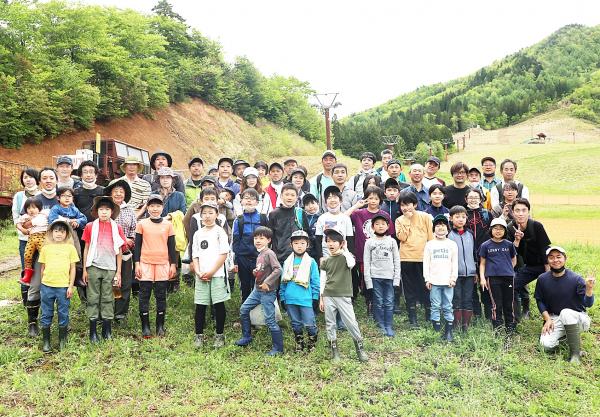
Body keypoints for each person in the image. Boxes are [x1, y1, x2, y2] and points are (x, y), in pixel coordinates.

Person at [535, 246, 595, 364]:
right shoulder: (542, 279)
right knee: (545, 345)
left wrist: (589, 289)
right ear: (548, 260)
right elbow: (539, 300)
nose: (555, 260)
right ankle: (567, 337)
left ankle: (575, 355)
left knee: (566, 312)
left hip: (579, 318)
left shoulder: (576, 278)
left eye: (559, 257)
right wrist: (547, 319)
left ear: (565, 259)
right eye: (551, 257)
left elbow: (588, 304)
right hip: (555, 318)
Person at [319, 226, 368, 362]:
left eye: (334, 241)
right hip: (328, 295)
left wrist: (345, 249)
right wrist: (321, 297)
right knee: (330, 323)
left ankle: (360, 349)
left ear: (341, 243)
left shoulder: (346, 257)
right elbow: (323, 279)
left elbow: (351, 263)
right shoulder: (326, 260)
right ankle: (334, 352)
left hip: (343, 295)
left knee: (351, 322)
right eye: (328, 241)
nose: (331, 244)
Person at [81, 196, 126, 343]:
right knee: (93, 297)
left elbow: (119, 251)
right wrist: (85, 269)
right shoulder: (90, 227)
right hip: (93, 266)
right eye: (101, 209)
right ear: (96, 211)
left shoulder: (116, 228)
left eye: (107, 209)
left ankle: (107, 329)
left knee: (108, 297)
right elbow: (86, 247)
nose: (104, 212)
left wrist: (118, 272)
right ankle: (93, 331)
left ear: (112, 212)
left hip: (110, 267)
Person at [235, 226, 284, 356]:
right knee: (244, 309)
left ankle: (278, 348)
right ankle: (247, 337)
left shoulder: (269, 253)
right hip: (257, 290)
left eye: (261, 238)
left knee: (270, 320)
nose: (258, 240)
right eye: (256, 238)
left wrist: (267, 282)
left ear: (268, 240)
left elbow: (278, 269)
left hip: (267, 292)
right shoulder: (260, 253)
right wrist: (255, 272)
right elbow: (263, 269)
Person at [134, 194, 177, 338]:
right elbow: (137, 246)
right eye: (152, 206)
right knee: (144, 294)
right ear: (148, 207)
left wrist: (173, 264)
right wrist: (137, 264)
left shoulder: (168, 225)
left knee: (160, 295)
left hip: (163, 263)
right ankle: (145, 327)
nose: (155, 209)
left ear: (162, 208)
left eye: (158, 206)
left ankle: (160, 325)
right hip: (145, 263)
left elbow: (172, 247)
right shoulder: (142, 224)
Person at [23, 167, 59, 337]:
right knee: (36, 286)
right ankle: (32, 323)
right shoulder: (34, 200)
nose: (48, 180)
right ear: (40, 181)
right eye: (44, 178)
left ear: (56, 180)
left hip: (59, 251)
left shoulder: (63, 198)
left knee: (59, 286)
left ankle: (60, 321)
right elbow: (24, 223)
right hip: (39, 251)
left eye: (51, 177)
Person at [346, 186, 393, 313]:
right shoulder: (359, 214)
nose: (373, 201)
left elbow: (390, 234)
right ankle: (369, 302)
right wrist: (356, 206)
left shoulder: (384, 215)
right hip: (362, 253)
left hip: (380, 255)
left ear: (380, 200)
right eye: (370, 198)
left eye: (376, 198)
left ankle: (380, 301)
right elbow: (343, 218)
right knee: (365, 278)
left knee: (378, 278)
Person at [192, 202, 231, 349]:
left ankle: (219, 335)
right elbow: (195, 255)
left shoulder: (220, 232)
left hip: (218, 274)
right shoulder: (198, 233)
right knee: (200, 306)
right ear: (200, 216)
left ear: (216, 215)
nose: (207, 216)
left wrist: (212, 272)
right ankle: (199, 335)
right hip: (201, 275)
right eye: (204, 213)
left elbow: (223, 254)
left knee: (218, 305)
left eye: (210, 212)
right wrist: (198, 271)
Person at [38, 219, 79, 353]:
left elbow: (73, 268)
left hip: (63, 287)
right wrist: (42, 284)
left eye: (62, 231)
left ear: (67, 234)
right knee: (46, 312)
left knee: (63, 312)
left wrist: (70, 286)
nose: (59, 234)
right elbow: (42, 268)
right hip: (47, 286)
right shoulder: (45, 248)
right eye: (56, 231)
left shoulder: (70, 248)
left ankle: (62, 340)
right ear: (51, 233)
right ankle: (46, 342)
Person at [508, 198, 551, 320]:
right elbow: (512, 253)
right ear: (512, 212)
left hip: (544, 265)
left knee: (547, 289)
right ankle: (517, 315)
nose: (520, 213)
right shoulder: (510, 228)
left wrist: (548, 272)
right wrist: (517, 240)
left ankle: (550, 315)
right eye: (517, 210)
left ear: (528, 212)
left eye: (524, 210)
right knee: (512, 285)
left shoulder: (536, 226)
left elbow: (544, 248)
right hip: (529, 266)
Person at [396, 191, 434, 328]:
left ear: (415, 204)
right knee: (409, 288)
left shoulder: (426, 217)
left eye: (408, 204)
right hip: (406, 258)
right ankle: (413, 318)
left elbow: (431, 237)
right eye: (402, 205)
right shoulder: (399, 220)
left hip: (423, 258)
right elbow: (402, 238)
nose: (405, 208)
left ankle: (429, 315)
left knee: (425, 286)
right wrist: (406, 219)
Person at [280, 230, 320, 352]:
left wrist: (315, 297)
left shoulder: (311, 262)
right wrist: (282, 297)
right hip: (290, 298)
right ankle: (299, 342)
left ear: (307, 245)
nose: (299, 246)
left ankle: (312, 341)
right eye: (296, 243)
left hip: (306, 298)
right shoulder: (287, 262)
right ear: (291, 245)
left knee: (309, 322)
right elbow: (283, 281)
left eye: (302, 243)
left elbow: (315, 281)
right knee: (295, 322)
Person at [104, 179, 137, 325]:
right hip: (106, 252)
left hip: (124, 253)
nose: (118, 194)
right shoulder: (106, 209)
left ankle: (120, 314)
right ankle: (106, 312)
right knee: (108, 282)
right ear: (110, 194)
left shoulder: (129, 210)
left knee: (124, 283)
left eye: (121, 191)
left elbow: (133, 231)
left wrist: (129, 240)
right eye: (115, 191)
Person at [479, 218, 518, 339]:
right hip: (492, 278)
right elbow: (482, 263)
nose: (498, 231)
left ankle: (510, 327)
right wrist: (482, 278)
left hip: (508, 278)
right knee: (496, 303)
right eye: (495, 228)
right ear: (491, 230)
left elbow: (513, 260)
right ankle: (498, 327)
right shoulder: (485, 245)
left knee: (509, 302)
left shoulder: (509, 244)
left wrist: (507, 269)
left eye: (501, 229)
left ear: (505, 231)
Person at [363, 214, 401, 337]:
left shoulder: (392, 241)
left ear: (388, 226)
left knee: (389, 301)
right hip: (375, 277)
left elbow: (396, 261)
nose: (380, 226)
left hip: (389, 277)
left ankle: (388, 325)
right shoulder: (369, 242)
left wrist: (396, 279)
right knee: (378, 301)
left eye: (383, 224)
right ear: (372, 227)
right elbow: (366, 262)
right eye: (377, 224)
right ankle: (381, 325)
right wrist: (368, 281)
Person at [424, 215, 458, 341]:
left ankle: (449, 331)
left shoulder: (452, 244)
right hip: (434, 281)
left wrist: (453, 278)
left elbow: (455, 263)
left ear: (447, 229)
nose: (440, 228)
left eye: (443, 226)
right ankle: (436, 329)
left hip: (448, 281)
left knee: (448, 305)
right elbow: (426, 263)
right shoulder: (429, 245)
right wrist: (427, 279)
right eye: (437, 226)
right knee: (435, 305)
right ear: (434, 229)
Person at [232, 188, 269, 303]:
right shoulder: (239, 220)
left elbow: (268, 239)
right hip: (243, 258)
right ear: (241, 201)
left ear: (257, 202)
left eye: (252, 199)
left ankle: (259, 313)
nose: (249, 201)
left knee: (259, 284)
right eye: (246, 198)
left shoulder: (263, 218)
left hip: (259, 258)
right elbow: (236, 242)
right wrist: (236, 261)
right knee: (245, 285)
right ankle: (245, 312)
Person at [12, 168, 40, 304]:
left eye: (30, 177)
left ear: (36, 178)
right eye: (25, 177)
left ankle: (38, 298)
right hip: (25, 239)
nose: (27, 180)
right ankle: (26, 300)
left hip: (41, 239)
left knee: (40, 266)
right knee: (26, 266)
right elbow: (16, 217)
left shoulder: (42, 195)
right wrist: (22, 229)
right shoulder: (18, 196)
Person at [465, 187, 493, 320]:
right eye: (470, 198)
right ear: (466, 199)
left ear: (481, 199)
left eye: (476, 198)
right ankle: (476, 313)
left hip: (485, 255)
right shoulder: (463, 214)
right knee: (471, 284)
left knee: (486, 283)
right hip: (468, 254)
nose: (473, 200)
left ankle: (488, 313)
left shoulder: (487, 214)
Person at [448, 205, 477, 332]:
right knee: (457, 298)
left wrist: (475, 271)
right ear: (451, 218)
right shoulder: (448, 235)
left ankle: (466, 325)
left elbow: (474, 253)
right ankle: (456, 323)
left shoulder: (470, 234)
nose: (460, 219)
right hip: (455, 274)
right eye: (457, 217)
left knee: (468, 298)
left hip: (470, 273)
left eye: (463, 217)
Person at [267, 183, 310, 265]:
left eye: (293, 195)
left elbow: (307, 234)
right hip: (279, 258)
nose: (289, 197)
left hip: (299, 257)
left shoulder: (300, 213)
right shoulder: (274, 214)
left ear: (297, 197)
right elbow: (270, 237)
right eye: (286, 194)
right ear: (281, 196)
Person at [315, 186, 355, 262]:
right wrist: (320, 257)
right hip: (326, 257)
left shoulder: (346, 218)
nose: (332, 200)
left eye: (335, 197)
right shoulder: (322, 218)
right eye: (329, 198)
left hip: (342, 258)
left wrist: (350, 256)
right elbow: (318, 240)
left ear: (340, 200)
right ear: (326, 202)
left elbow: (350, 239)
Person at [17, 199, 48, 285]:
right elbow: (18, 224)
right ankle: (27, 277)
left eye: (34, 207)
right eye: (28, 208)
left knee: (44, 255)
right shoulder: (25, 216)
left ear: (39, 208)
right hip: (31, 238)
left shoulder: (43, 214)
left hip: (42, 237)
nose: (31, 210)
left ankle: (47, 273)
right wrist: (23, 229)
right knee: (27, 255)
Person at [302, 193, 321, 262]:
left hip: (319, 251)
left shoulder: (322, 217)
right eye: (307, 205)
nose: (311, 206)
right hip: (306, 250)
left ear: (317, 203)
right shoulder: (302, 218)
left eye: (313, 203)